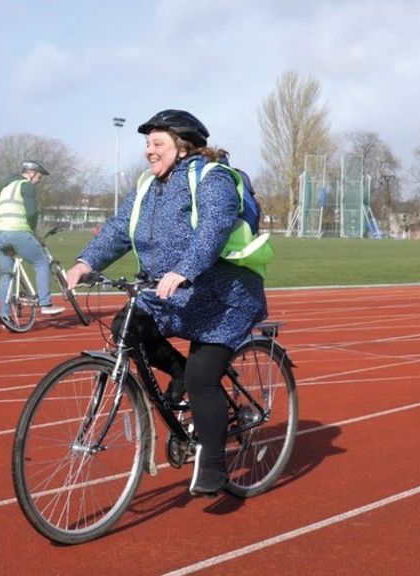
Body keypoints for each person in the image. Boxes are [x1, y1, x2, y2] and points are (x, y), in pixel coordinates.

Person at [65, 109, 268, 497]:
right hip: (169, 293)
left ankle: (212, 466)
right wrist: (84, 263)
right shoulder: (147, 186)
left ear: (182, 145)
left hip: (221, 296)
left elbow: (215, 225)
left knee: (203, 378)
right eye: (146, 144)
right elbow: (118, 229)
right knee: (128, 326)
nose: (149, 151)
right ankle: (181, 375)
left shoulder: (212, 178)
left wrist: (186, 269)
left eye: (157, 143)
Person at [0, 160, 65, 320]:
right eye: (39, 177)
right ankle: (46, 304)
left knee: (7, 274)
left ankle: (4, 314)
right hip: (17, 232)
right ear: (31, 173)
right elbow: (32, 214)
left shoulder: (6, 187)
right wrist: (34, 233)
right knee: (42, 262)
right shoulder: (26, 185)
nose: (39, 181)